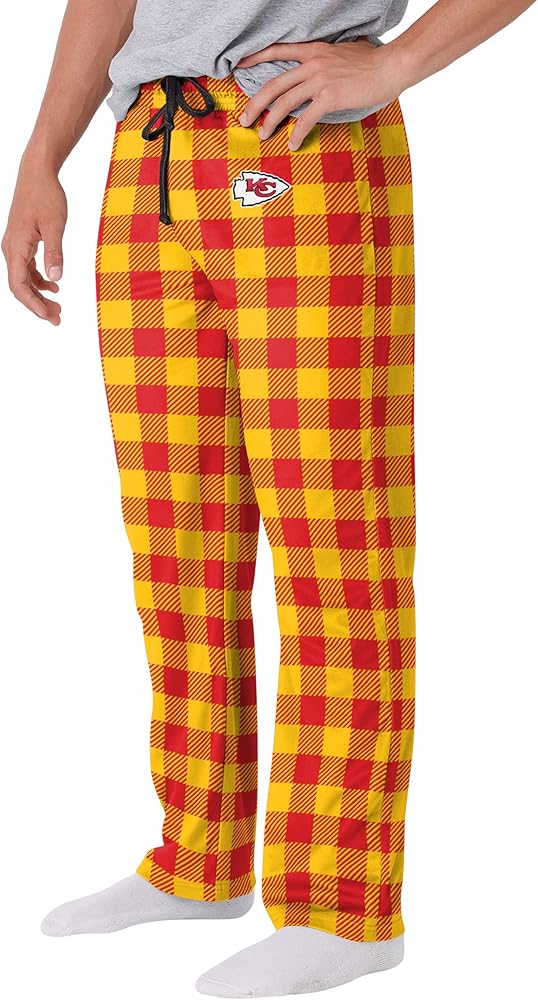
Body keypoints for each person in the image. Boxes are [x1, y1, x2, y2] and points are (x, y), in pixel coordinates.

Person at [2, 1, 535, 996]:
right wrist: (43, 156)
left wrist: (399, 64)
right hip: (148, 153)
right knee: (177, 550)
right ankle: (199, 857)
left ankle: (342, 905)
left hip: (299, 141)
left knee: (337, 548)